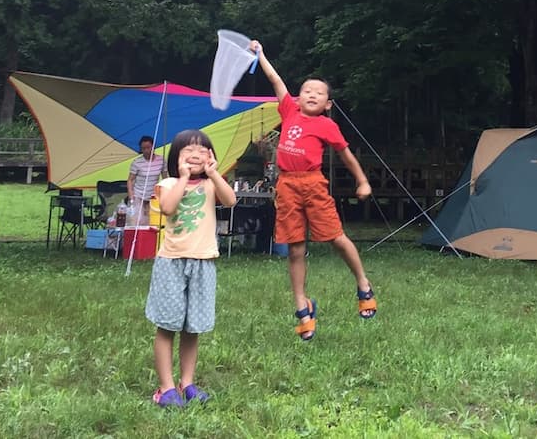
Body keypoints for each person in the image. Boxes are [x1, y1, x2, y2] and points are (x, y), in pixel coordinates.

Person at [249, 40, 377, 341]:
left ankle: (363, 283)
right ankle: (302, 307)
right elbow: (275, 80)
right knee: (294, 247)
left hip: (313, 183)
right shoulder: (289, 111)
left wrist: (363, 180)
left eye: (319, 93)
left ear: (327, 104)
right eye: (307, 90)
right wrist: (262, 55)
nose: (311, 95)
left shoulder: (326, 126)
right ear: (298, 96)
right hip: (287, 185)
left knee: (335, 237)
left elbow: (346, 154)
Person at [145, 129, 235, 408]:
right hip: (172, 262)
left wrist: (214, 173)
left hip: (203, 261)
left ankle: (188, 382)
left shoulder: (212, 184)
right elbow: (169, 208)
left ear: (211, 157)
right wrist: (184, 177)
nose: (196, 154)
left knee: (192, 328)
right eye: (188, 150)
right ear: (176, 158)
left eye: (202, 150)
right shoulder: (169, 183)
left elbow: (230, 200)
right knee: (166, 325)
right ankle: (166, 387)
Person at [128, 135, 164, 227]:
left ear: (153, 147)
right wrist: (131, 197)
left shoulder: (161, 160)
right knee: (137, 221)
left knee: (151, 221)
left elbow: (165, 179)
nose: (146, 151)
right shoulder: (136, 162)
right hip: (138, 195)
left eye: (148, 147)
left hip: (153, 196)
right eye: (143, 148)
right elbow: (130, 180)